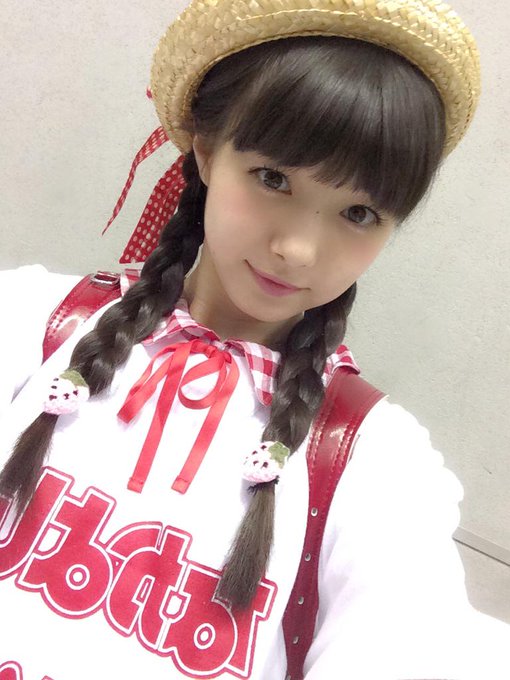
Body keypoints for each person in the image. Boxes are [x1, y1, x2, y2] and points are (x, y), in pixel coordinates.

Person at [0, 0, 508, 678]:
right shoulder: (30, 319)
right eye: (274, 179)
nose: (298, 249)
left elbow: (409, 636)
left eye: (359, 212)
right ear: (207, 152)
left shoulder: (375, 460)